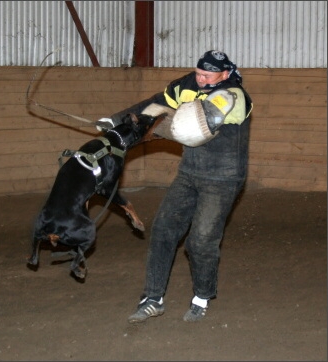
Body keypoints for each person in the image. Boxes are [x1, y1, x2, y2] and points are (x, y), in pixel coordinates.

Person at [98, 50, 253, 323]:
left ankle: (202, 297)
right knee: (163, 229)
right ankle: (152, 299)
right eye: (198, 72)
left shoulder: (234, 96)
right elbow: (157, 104)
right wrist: (119, 121)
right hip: (190, 173)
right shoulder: (189, 84)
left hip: (223, 178)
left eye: (207, 75)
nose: (200, 78)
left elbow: (191, 131)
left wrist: (149, 132)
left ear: (226, 74)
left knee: (201, 241)